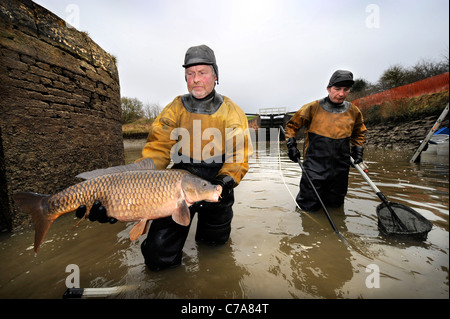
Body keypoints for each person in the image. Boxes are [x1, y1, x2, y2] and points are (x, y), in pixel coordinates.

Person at [138, 44, 251, 271]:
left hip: (217, 182)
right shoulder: (175, 107)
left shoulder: (232, 110)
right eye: (190, 74)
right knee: (158, 254)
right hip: (178, 183)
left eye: (202, 73)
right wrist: (134, 180)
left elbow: (239, 157)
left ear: (215, 75)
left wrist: (224, 183)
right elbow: (157, 148)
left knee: (215, 250)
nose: (196, 79)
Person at [284, 70, 367, 212]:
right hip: (314, 167)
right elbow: (291, 126)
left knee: (336, 206)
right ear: (329, 89)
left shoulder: (354, 111)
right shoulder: (312, 108)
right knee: (308, 207)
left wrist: (357, 150)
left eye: (345, 90)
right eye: (337, 89)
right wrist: (291, 146)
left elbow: (359, 132)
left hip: (341, 168)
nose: (341, 94)